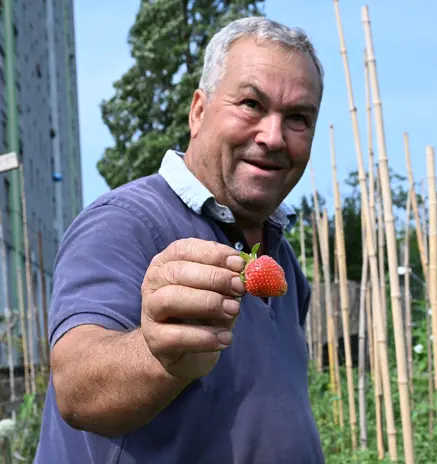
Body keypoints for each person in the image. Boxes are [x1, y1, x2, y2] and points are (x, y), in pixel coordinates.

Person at [33, 16, 325, 464]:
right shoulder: (127, 222)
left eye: (298, 118)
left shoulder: (282, 259)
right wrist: (158, 356)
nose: (272, 136)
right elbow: (76, 387)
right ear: (198, 112)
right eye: (250, 104)